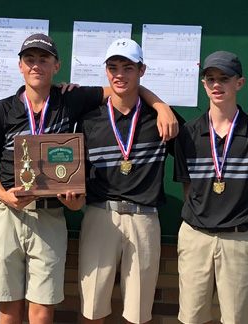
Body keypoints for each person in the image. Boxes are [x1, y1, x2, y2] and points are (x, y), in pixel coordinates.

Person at [0, 34, 178, 324]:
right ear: (19, 66)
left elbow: (121, 88)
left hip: (50, 215)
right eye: (29, 60)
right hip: (8, 212)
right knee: (8, 308)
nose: (36, 66)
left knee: (42, 307)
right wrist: (3, 194)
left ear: (56, 66)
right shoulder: (3, 109)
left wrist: (160, 105)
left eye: (43, 60)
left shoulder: (71, 99)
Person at [74, 38, 186, 324]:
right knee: (92, 307)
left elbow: (205, 142)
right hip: (101, 216)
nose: (119, 75)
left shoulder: (164, 119)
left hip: (144, 219)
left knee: (138, 312)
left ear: (142, 70)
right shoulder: (88, 120)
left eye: (128, 67)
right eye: (113, 68)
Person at [173, 51, 248, 324]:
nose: (217, 85)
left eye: (224, 79)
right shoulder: (188, 134)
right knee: (192, 317)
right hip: (195, 237)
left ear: (239, 83)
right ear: (203, 84)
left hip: (238, 239)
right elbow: (188, 188)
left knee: (237, 318)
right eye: (211, 79)